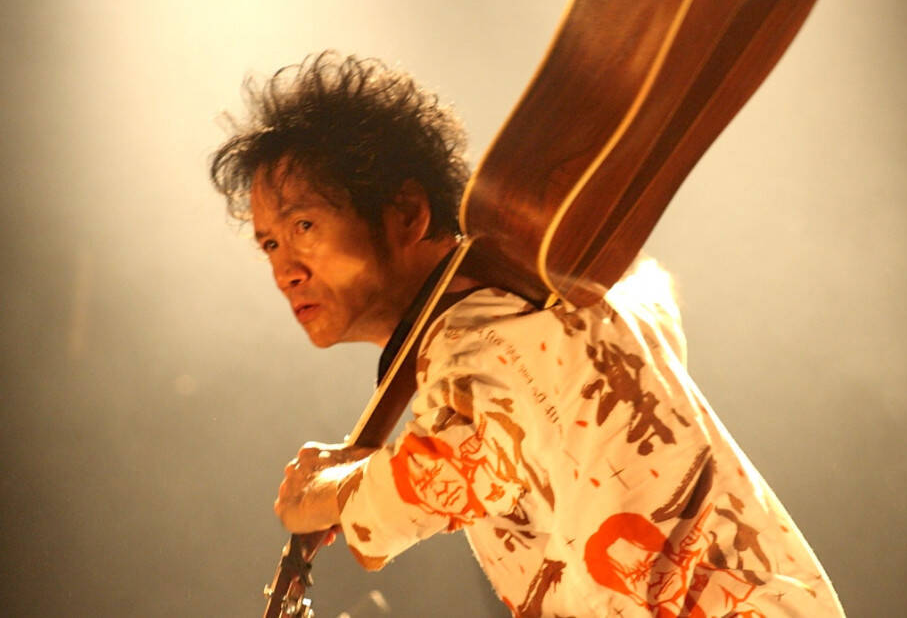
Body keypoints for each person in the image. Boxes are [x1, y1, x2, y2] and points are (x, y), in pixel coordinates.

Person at [211, 51, 845, 616]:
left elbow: (443, 475)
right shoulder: (550, 300)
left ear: (407, 213)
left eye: (303, 227)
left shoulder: (475, 330)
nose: (285, 271)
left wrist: (322, 493)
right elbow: (653, 297)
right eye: (269, 243)